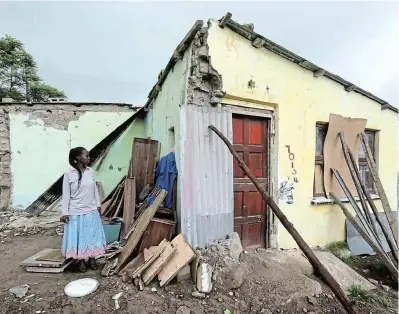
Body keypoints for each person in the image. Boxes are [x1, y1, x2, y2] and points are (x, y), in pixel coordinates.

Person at [60, 147, 106, 272]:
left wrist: (98, 205)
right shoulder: (69, 174)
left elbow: (94, 190)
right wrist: (65, 213)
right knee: (79, 237)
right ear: (78, 158)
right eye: (86, 156)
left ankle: (92, 259)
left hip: (91, 210)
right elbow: (66, 195)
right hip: (76, 211)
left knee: (91, 235)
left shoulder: (90, 171)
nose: (89, 158)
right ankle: (80, 260)